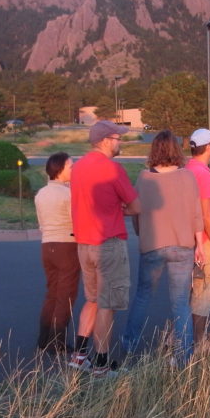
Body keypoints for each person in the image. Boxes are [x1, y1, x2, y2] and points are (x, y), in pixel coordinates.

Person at [122, 131, 205, 364]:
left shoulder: (144, 178)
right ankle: (184, 355)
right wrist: (200, 244)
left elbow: (136, 213)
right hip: (183, 244)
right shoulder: (188, 177)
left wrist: (143, 234)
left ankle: (130, 345)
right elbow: (196, 213)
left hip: (153, 245)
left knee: (142, 296)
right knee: (180, 302)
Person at [68, 120, 140, 376]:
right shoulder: (113, 169)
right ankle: (101, 364)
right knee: (107, 304)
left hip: (84, 244)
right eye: (118, 138)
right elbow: (136, 206)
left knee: (92, 299)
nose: (120, 142)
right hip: (108, 243)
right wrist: (123, 209)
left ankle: (79, 355)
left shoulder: (77, 167)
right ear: (107, 140)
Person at [34, 151, 80, 354]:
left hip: (47, 245)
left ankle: (44, 338)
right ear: (60, 170)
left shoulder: (41, 194)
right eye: (71, 166)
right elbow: (76, 221)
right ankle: (57, 341)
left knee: (52, 292)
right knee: (66, 295)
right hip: (67, 245)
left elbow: (41, 223)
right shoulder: (69, 194)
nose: (73, 169)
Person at [187, 128, 210, 347]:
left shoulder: (188, 169)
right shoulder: (203, 174)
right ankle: (200, 342)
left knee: (190, 291)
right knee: (204, 291)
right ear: (208, 147)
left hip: (189, 239)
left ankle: (182, 337)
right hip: (206, 242)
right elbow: (206, 213)